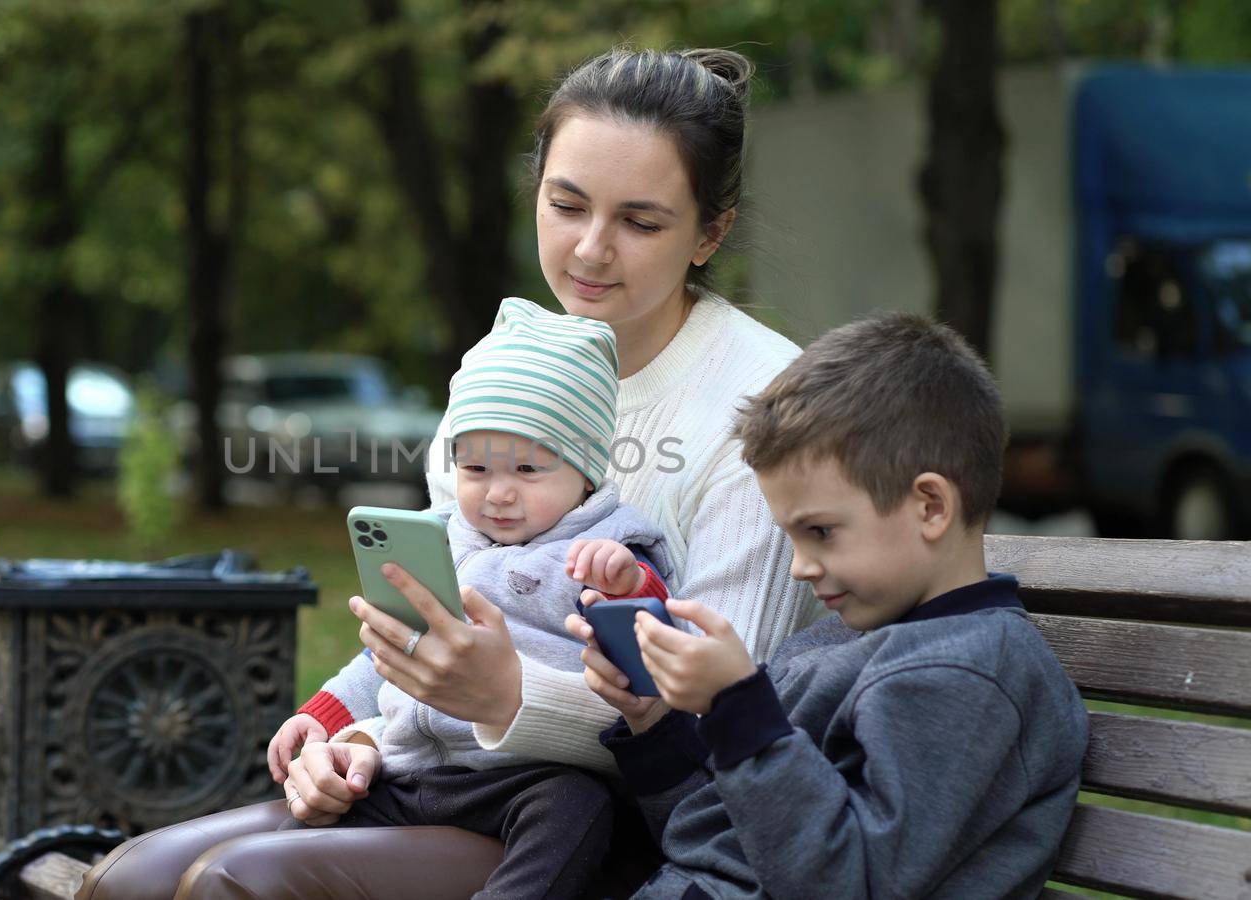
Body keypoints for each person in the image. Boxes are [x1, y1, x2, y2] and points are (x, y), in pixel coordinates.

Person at [78, 45, 819, 900]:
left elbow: (722, 720)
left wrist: (508, 694)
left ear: (710, 232)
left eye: (640, 223)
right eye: (565, 203)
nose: (591, 249)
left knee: (232, 887)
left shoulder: (760, 401)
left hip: (618, 823)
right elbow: (442, 609)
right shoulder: (506, 371)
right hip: (436, 780)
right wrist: (343, 737)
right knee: (126, 879)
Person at [569, 313, 1089, 899]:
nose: (800, 566)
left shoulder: (967, 676)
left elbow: (843, 884)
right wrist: (654, 722)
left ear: (931, 507)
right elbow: (722, 844)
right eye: (791, 537)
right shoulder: (836, 641)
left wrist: (737, 706)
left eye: (820, 532)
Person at [270, 297, 676, 900]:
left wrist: (628, 586)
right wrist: (327, 715)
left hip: (527, 774)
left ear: (587, 472)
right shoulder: (445, 541)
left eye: (528, 471)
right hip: (415, 766)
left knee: (575, 807)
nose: (499, 494)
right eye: (477, 468)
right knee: (322, 799)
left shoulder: (606, 545)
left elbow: (659, 646)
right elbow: (391, 650)